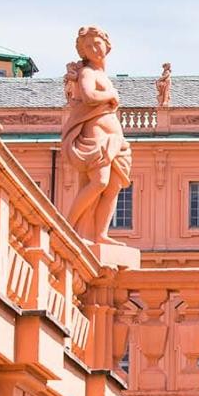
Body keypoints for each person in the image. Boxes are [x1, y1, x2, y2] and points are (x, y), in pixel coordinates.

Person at [61, 26, 132, 244]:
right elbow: (90, 97)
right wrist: (111, 94)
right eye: (88, 46)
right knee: (99, 182)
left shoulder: (102, 75)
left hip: (115, 140)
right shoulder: (87, 73)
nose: (94, 49)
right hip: (97, 137)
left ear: (107, 45)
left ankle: (100, 234)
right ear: (82, 51)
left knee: (112, 187)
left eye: (97, 43)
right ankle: (68, 229)